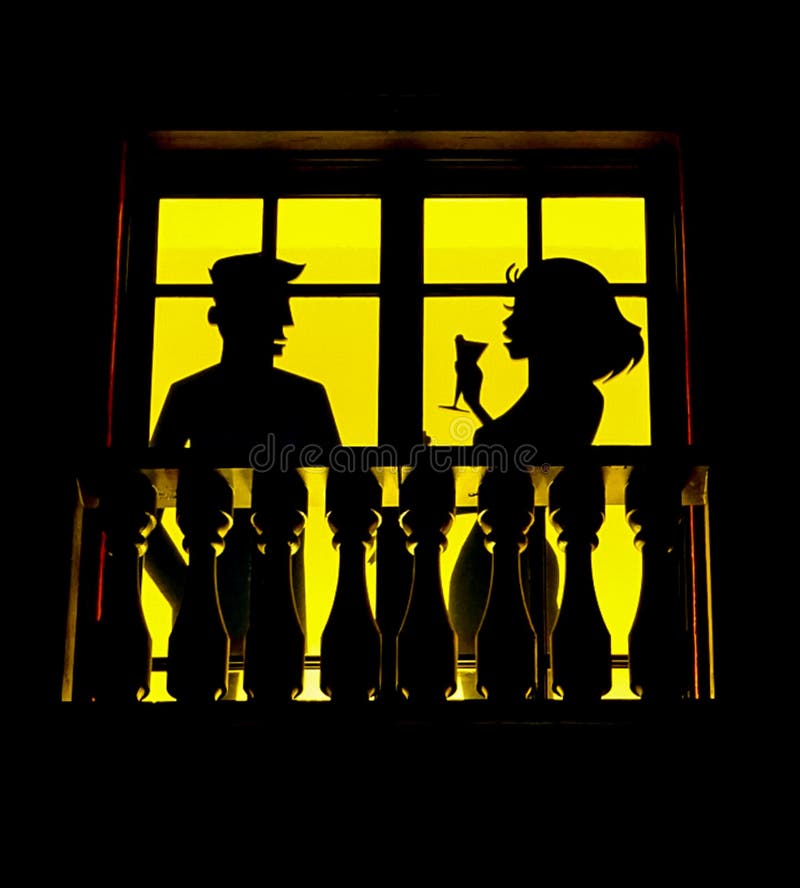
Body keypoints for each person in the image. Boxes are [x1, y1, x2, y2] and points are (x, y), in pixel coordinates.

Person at [146, 252, 341, 678]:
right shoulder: (304, 399)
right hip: (265, 597)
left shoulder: (192, 395)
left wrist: (183, 590)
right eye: (275, 305)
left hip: (234, 595)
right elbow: (143, 502)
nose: (285, 320)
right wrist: (182, 590)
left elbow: (144, 508)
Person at [449, 257, 645, 662]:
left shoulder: (576, 397)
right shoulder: (567, 394)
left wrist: (477, 409)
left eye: (521, 309)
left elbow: (521, 454)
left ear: (554, 320)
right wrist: (476, 404)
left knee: (496, 649)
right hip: (511, 539)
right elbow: (510, 448)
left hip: (516, 541)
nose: (509, 321)